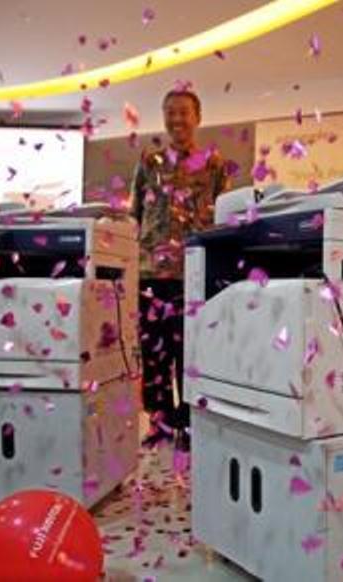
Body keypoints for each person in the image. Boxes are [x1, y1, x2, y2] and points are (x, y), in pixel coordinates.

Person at [130, 88, 230, 451]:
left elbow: (224, 219)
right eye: (170, 112)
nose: (176, 119)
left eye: (183, 112)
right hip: (151, 274)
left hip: (193, 274)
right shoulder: (148, 161)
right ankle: (159, 423)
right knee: (153, 355)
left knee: (191, 355)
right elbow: (135, 214)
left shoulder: (214, 164)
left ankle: (189, 424)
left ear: (197, 117)